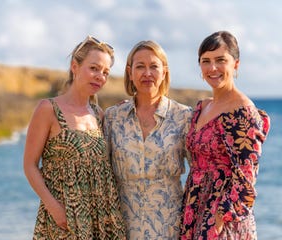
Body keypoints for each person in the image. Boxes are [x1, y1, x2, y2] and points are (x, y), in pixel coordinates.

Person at [23, 35, 125, 239]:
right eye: (94, 68)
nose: (100, 77)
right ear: (74, 66)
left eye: (105, 72)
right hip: (65, 215)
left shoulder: (99, 113)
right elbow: (29, 165)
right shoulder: (48, 109)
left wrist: (126, 112)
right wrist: (54, 208)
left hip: (103, 214)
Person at [180, 31, 270, 239]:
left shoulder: (242, 111)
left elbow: (247, 174)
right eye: (206, 61)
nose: (212, 68)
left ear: (236, 64)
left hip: (222, 216)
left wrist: (221, 217)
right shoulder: (203, 106)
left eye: (220, 60)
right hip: (194, 205)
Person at [103, 40, 193, 239]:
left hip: (171, 226)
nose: (147, 73)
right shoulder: (112, 117)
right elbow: (102, 174)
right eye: (140, 66)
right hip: (121, 226)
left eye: (154, 66)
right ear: (130, 71)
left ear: (164, 71)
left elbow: (199, 171)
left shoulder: (184, 116)